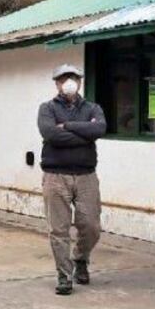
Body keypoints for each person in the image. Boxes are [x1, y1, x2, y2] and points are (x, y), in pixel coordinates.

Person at [37, 63, 106, 296]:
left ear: (80, 81)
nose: (69, 82)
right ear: (56, 83)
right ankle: (64, 275)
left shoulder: (93, 108)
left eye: (73, 78)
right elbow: (50, 134)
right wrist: (84, 133)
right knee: (59, 229)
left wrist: (67, 125)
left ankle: (81, 258)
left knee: (91, 225)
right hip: (55, 175)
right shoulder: (47, 109)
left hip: (86, 175)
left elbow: (99, 130)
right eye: (63, 78)